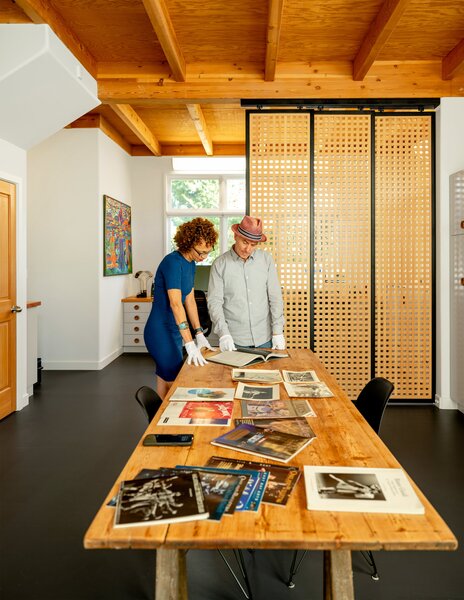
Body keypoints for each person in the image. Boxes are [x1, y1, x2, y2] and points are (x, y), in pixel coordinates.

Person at [144, 218, 218, 399]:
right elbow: (176, 304)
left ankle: (156, 421)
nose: (204, 257)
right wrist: (189, 342)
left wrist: (199, 333)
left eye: (208, 252)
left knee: (165, 378)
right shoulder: (172, 263)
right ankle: (167, 425)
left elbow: (189, 300)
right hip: (160, 331)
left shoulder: (191, 264)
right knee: (174, 383)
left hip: (175, 330)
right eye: (201, 252)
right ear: (188, 243)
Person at [207, 215, 285, 352]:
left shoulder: (266, 260)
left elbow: (275, 297)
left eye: (253, 245)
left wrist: (278, 331)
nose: (248, 249)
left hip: (265, 339)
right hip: (233, 339)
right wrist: (223, 333)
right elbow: (214, 302)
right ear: (235, 236)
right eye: (244, 242)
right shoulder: (220, 264)